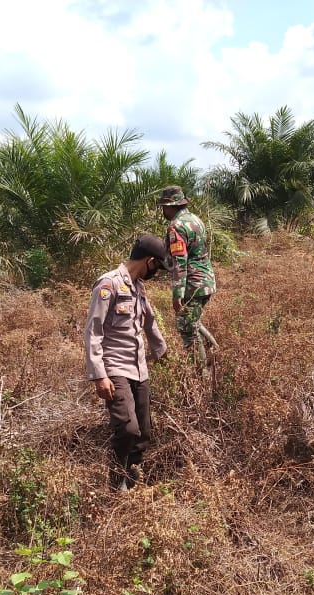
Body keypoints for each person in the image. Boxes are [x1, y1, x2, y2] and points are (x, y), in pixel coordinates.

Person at [83, 234, 172, 490]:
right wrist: (99, 375)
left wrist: (161, 351)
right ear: (150, 261)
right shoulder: (108, 284)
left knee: (143, 432)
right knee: (128, 428)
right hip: (114, 367)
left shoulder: (138, 287)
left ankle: (133, 486)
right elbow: (93, 331)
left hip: (139, 368)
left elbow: (149, 321)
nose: (156, 272)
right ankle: (116, 484)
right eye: (157, 267)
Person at [158, 185, 218, 369]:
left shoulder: (176, 226)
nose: (163, 210)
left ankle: (202, 375)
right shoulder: (196, 220)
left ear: (170, 206)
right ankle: (215, 352)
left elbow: (180, 262)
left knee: (187, 328)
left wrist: (177, 294)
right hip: (206, 281)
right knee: (193, 322)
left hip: (192, 285)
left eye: (163, 207)